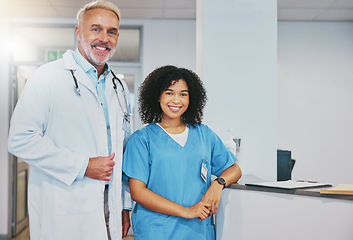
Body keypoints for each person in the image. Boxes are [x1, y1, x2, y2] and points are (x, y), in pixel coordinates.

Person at [7, 1, 132, 239]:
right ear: (78, 32)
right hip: (65, 204)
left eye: (111, 31)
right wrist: (82, 165)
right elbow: (20, 139)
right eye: (95, 29)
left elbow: (124, 149)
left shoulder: (119, 87)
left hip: (110, 205)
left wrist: (125, 205)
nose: (104, 38)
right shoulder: (47, 78)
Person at [122, 65, 242, 240]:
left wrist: (218, 185)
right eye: (169, 93)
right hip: (158, 231)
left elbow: (235, 169)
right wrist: (186, 211)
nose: (176, 100)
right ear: (157, 96)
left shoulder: (204, 134)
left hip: (198, 230)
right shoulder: (142, 139)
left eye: (183, 94)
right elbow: (138, 192)